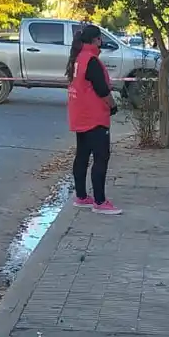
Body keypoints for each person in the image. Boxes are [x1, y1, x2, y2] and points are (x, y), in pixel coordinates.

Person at [66, 24, 122, 214]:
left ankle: (81, 196)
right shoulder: (92, 61)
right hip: (94, 115)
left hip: (80, 113)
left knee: (82, 155)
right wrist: (113, 105)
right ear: (96, 40)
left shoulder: (77, 58)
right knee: (100, 157)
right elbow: (102, 89)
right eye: (100, 39)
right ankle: (100, 201)